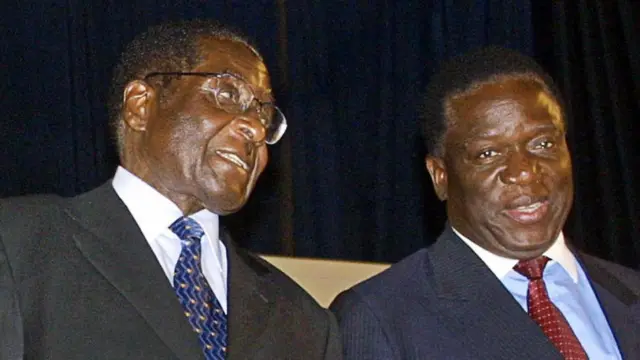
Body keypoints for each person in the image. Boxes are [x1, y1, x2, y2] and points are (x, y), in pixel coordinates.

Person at [0, 19, 341, 360]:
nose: (254, 128)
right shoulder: (20, 246)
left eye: (264, 117)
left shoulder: (305, 321)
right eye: (227, 95)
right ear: (140, 106)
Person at [330, 46, 640, 359]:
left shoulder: (630, 291)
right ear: (440, 176)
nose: (524, 171)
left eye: (543, 144)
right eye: (488, 154)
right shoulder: (381, 319)